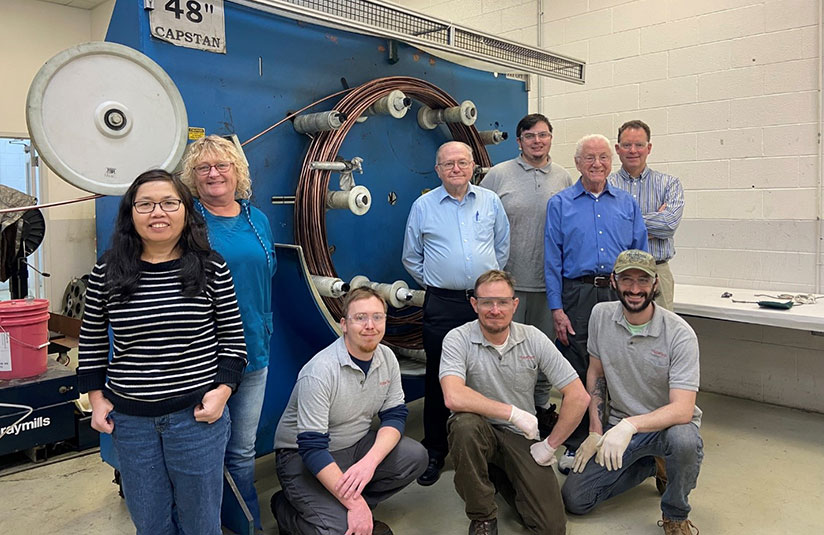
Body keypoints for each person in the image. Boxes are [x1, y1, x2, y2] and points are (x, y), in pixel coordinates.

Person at [78, 170, 247, 535]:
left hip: (195, 419)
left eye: (169, 203)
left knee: (201, 525)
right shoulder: (107, 270)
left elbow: (233, 342)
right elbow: (91, 340)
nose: (158, 212)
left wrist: (222, 392)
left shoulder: (211, 267)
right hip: (131, 422)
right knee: (150, 524)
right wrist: (96, 398)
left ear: (186, 211)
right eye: (146, 204)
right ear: (131, 213)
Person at [561, 249, 703, 535]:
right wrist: (595, 431)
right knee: (575, 499)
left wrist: (631, 425)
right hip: (618, 428)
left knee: (685, 441)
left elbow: (683, 409)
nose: (635, 289)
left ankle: (675, 514)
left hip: (665, 428)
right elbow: (596, 374)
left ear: (655, 284)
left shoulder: (679, 334)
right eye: (627, 279)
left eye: (643, 280)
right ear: (614, 281)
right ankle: (651, 465)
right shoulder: (601, 316)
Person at [440, 270, 590, 535]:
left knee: (551, 527)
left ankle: (497, 474)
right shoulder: (457, 338)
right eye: (486, 302)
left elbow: (579, 396)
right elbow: (453, 396)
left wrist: (550, 445)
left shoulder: (533, 337)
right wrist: (512, 413)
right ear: (474, 304)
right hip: (478, 429)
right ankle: (483, 516)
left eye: (503, 302)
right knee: (464, 427)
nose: (495, 310)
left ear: (515, 304)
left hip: (520, 436)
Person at [271, 287, 428, 535]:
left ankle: (347, 505)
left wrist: (369, 463)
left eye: (377, 317)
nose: (370, 325)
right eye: (360, 318)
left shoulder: (387, 357)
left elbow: (395, 415)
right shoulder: (320, 372)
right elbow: (312, 448)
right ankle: (285, 508)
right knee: (338, 531)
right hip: (303, 456)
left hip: (355, 446)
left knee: (415, 456)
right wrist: (355, 504)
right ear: (344, 324)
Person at [181, 134, 276, 530]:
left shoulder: (257, 219)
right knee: (203, 451)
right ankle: (203, 522)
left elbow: (266, 273)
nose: (214, 174)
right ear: (193, 177)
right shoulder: (186, 222)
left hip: (253, 349)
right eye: (203, 168)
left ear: (238, 172)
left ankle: (242, 522)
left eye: (222, 165)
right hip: (204, 355)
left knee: (242, 450)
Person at [402, 140, 510, 486]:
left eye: (462, 162)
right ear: (438, 170)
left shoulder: (490, 202)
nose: (456, 169)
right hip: (442, 303)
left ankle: (493, 448)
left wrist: (485, 289)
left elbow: (502, 248)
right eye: (448, 164)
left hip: (485, 301)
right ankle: (435, 449)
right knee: (440, 375)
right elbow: (411, 257)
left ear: (473, 166)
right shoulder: (423, 206)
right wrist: (440, 283)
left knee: (489, 371)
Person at [544, 134, 648, 474]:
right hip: (578, 294)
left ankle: (619, 435)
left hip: (620, 292)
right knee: (577, 367)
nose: (597, 163)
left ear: (611, 161)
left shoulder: (627, 204)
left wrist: (638, 296)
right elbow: (552, 260)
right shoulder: (560, 204)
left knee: (622, 361)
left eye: (603, 157)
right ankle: (576, 442)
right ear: (577, 163)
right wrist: (557, 309)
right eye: (589, 157)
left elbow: (641, 255)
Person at [480, 113, 573, 434]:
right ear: (519, 141)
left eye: (543, 135)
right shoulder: (498, 175)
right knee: (506, 354)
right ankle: (506, 417)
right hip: (508, 286)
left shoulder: (563, 177)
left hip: (549, 286)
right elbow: (480, 222)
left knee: (545, 353)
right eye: (530, 136)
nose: (537, 141)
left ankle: (540, 409)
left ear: (551, 138)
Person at [608, 120, 684, 311]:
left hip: (657, 272)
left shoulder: (669, 184)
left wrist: (624, 223)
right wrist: (652, 221)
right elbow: (604, 229)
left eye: (639, 145)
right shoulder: (606, 185)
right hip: (617, 275)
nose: (633, 150)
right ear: (617, 149)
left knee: (661, 327)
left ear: (649, 148)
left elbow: (668, 225)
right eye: (627, 145)